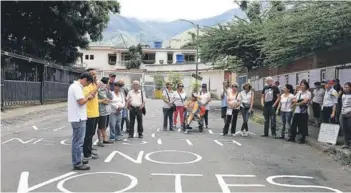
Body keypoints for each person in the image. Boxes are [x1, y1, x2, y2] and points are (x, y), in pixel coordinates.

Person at [67, 72, 94, 170]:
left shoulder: (76, 87)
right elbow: (81, 101)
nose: (87, 85)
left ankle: (79, 158)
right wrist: (88, 98)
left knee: (78, 141)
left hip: (78, 117)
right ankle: (77, 162)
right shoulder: (76, 87)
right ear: (85, 79)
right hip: (78, 117)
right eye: (88, 83)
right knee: (78, 141)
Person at [83, 68, 101, 160]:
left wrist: (97, 87)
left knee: (91, 134)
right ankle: (86, 153)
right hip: (89, 114)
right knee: (88, 135)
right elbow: (88, 97)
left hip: (95, 113)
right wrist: (97, 88)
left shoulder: (94, 84)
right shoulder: (86, 85)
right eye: (92, 74)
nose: (95, 76)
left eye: (95, 74)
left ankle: (89, 151)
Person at [96, 77, 113, 147]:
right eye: (108, 83)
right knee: (101, 126)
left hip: (107, 110)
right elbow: (104, 99)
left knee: (105, 126)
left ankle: (104, 139)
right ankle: (100, 140)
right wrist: (106, 100)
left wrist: (108, 90)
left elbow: (111, 98)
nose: (109, 84)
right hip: (101, 111)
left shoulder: (106, 90)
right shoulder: (99, 90)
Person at [340, 82, 351, 149]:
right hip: (343, 113)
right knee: (344, 128)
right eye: (345, 87)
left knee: (350, 128)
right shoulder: (343, 95)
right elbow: (342, 104)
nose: (346, 88)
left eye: (347, 87)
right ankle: (346, 142)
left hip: (349, 114)